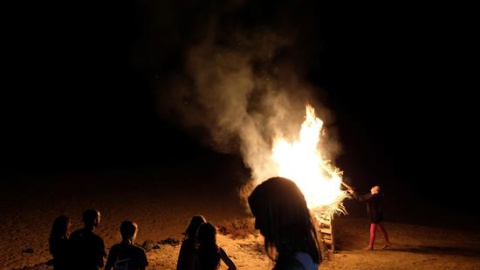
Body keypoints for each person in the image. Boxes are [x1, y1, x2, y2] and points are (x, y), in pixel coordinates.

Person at [248, 177, 321, 270]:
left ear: (280, 217)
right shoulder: (304, 257)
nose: (256, 225)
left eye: (260, 216)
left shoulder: (292, 266)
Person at [348, 185, 391, 250]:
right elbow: (362, 196)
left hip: (375, 215)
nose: (372, 187)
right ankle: (388, 243)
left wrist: (353, 193)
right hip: (378, 214)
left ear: (376, 191)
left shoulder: (374, 197)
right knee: (381, 229)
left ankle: (371, 246)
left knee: (372, 230)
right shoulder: (371, 195)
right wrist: (354, 192)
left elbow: (361, 199)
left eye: (374, 188)